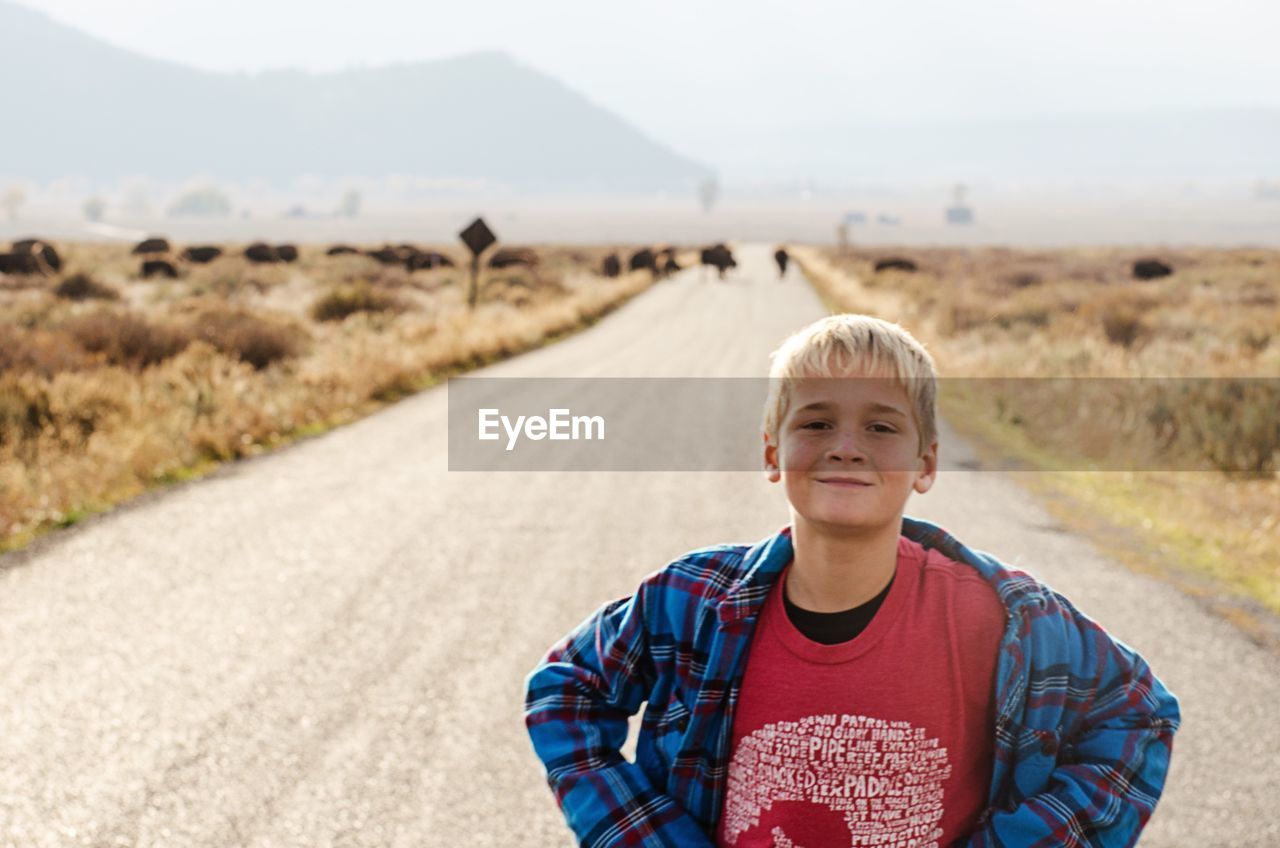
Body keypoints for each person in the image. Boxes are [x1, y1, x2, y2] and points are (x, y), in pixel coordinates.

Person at [524, 314, 1180, 847]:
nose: (846, 445)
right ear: (772, 453)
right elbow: (566, 689)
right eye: (815, 422)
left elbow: (1137, 710)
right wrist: (651, 836)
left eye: (881, 426)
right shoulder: (689, 602)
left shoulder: (997, 617)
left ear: (925, 463)